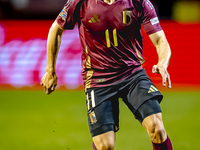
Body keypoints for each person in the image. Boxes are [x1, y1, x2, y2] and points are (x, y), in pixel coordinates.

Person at [41, 0, 173, 149]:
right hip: (98, 79)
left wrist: (162, 62)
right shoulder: (80, 3)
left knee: (157, 129)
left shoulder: (139, 2)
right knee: (105, 146)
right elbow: (56, 29)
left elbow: (160, 39)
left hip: (132, 74)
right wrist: (50, 70)